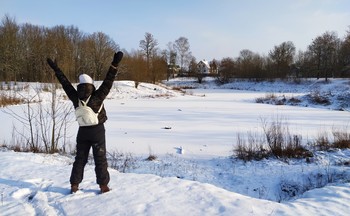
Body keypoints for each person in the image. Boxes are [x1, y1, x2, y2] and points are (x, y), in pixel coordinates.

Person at [47, 51, 123, 194]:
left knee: (80, 159)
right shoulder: (98, 96)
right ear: (91, 85)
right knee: (100, 159)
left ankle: (74, 185)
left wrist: (56, 69)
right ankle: (103, 186)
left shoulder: (75, 97)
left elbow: (65, 83)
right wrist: (114, 64)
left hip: (82, 131)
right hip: (97, 131)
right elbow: (108, 81)